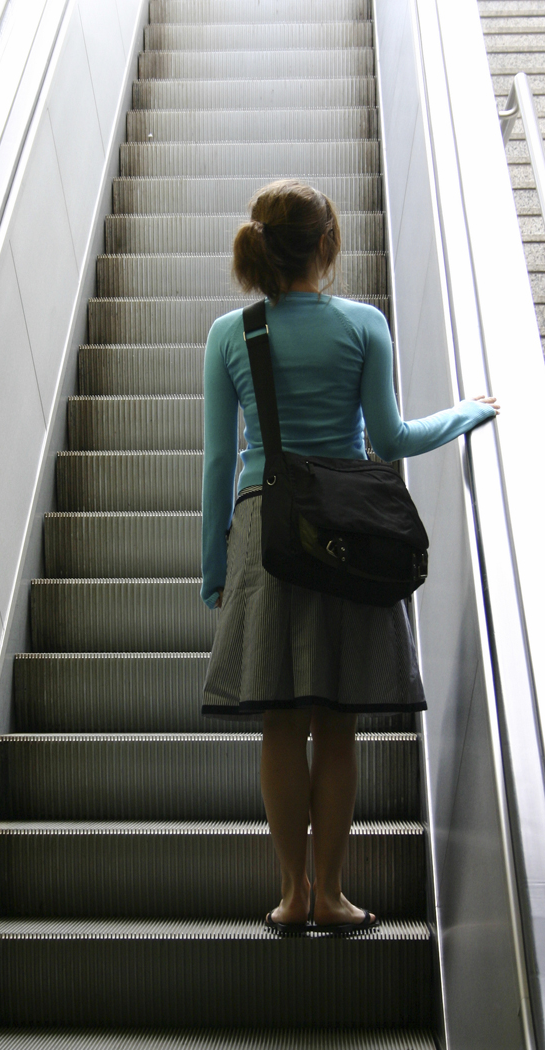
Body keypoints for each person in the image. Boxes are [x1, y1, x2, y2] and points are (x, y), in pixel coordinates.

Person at [200, 179, 499, 934]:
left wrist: (213, 566)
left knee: (278, 723)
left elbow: (215, 461)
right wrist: (467, 414)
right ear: (327, 245)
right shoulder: (365, 325)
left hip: (263, 536)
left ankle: (291, 894)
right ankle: (331, 895)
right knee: (337, 723)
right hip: (344, 534)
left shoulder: (232, 334)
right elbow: (391, 440)